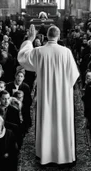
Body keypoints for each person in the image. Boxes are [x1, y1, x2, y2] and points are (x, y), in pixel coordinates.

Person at [18, 24, 79, 165]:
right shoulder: (66, 52)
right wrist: (64, 88)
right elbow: (74, 75)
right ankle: (64, 156)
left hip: (45, 94)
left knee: (46, 121)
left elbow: (23, 57)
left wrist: (30, 40)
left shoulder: (39, 51)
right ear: (58, 36)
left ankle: (45, 155)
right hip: (63, 95)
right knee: (62, 122)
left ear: (46, 36)